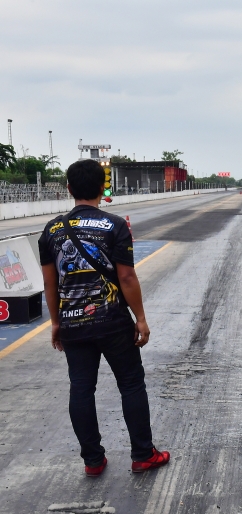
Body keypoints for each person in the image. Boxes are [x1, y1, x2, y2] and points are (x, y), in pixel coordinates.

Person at [39, 159, 169, 478]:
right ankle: (142, 454)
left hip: (73, 323)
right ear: (102, 188)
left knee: (81, 388)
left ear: (69, 189)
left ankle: (93, 460)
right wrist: (140, 317)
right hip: (112, 322)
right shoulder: (115, 225)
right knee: (130, 384)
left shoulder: (52, 230)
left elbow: (49, 283)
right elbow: (126, 278)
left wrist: (56, 323)